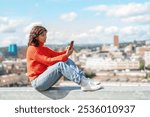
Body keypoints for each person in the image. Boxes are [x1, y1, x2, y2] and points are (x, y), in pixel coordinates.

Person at [26, 25, 102, 91]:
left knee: (66, 60)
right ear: (35, 37)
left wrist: (66, 52)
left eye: (46, 35)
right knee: (60, 64)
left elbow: (56, 55)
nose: (46, 37)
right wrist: (65, 55)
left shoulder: (43, 48)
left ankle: (84, 80)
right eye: (43, 35)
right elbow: (48, 61)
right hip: (37, 83)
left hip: (44, 79)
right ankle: (84, 84)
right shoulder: (32, 49)